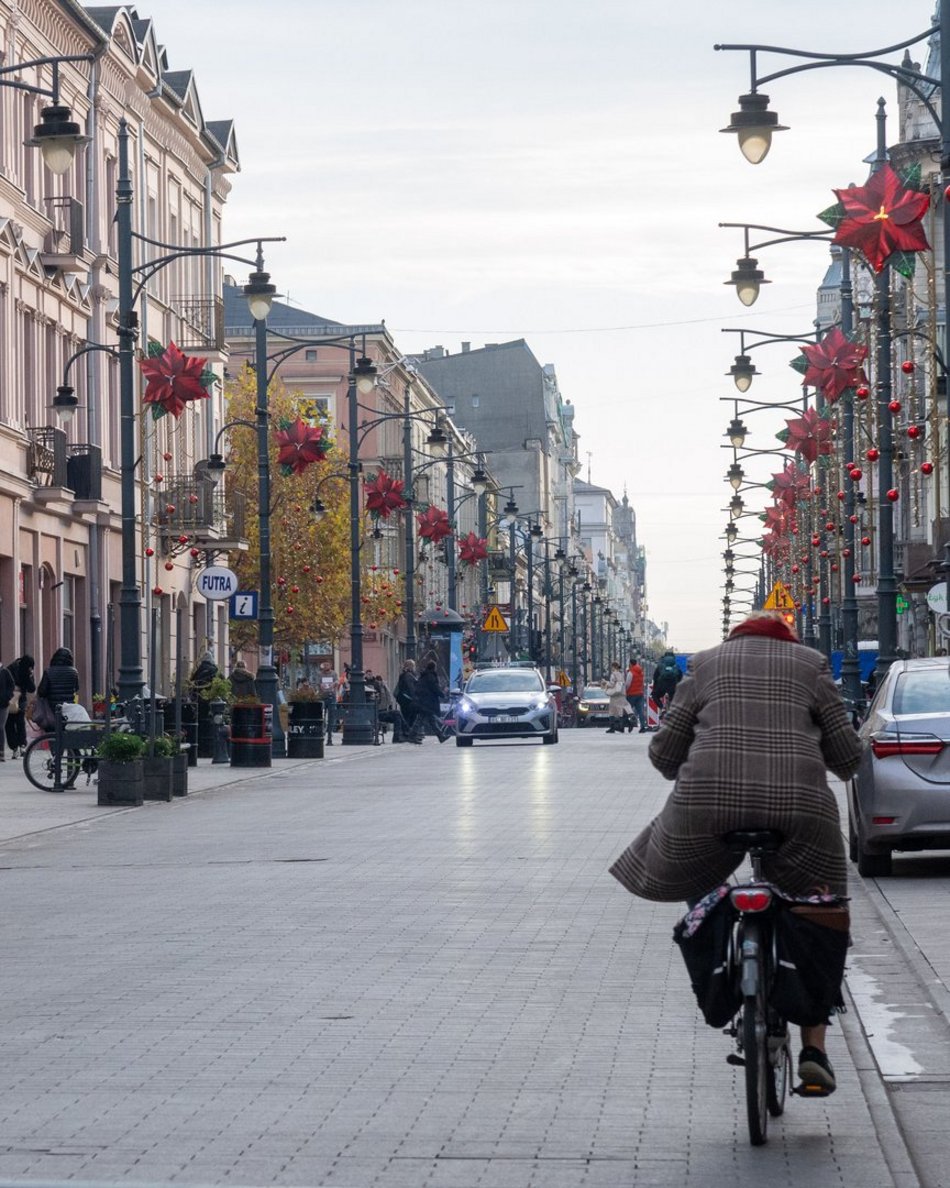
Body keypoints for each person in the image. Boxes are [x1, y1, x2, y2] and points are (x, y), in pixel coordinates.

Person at [609, 610, 861, 1095]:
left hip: (708, 807)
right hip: (799, 809)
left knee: (690, 871)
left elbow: (664, 755)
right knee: (822, 906)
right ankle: (814, 1049)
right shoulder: (811, 666)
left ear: (734, 638)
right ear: (789, 638)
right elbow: (848, 760)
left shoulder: (703, 665)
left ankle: (719, 943)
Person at [36, 647, 80, 724]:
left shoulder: (48, 671)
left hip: (51, 707)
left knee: (52, 727)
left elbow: (42, 691)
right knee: (66, 727)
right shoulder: (74, 672)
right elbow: (76, 688)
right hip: (68, 707)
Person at [5, 654, 35, 758]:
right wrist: (14, 688)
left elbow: (32, 689)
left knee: (19, 723)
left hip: (21, 700)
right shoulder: (11, 669)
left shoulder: (27, 671)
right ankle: (15, 747)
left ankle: (21, 746)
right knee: (10, 724)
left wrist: (30, 677)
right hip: (11, 700)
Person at [412, 660, 450, 742]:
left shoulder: (424, 676)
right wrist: (443, 694)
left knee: (428, 719)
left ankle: (440, 736)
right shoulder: (431, 676)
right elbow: (435, 688)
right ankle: (412, 735)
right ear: (434, 668)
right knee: (422, 719)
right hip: (428, 702)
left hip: (424, 701)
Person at [366, 671, 410, 743]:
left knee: (397, 714)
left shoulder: (378, 688)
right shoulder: (367, 696)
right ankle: (405, 734)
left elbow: (388, 697)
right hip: (376, 715)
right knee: (397, 714)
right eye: (373, 693)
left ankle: (402, 735)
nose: (374, 694)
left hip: (379, 712)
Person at [316, 659, 341, 746]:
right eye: (324, 665)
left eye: (327, 664)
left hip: (331, 696)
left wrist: (334, 684)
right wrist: (320, 685)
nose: (326, 666)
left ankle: (330, 733)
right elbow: (317, 682)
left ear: (330, 665)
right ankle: (322, 730)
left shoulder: (333, 673)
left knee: (331, 715)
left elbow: (337, 681)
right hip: (322, 696)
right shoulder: (320, 674)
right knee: (321, 714)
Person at [395, 660, 420, 741]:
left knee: (407, 716)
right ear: (411, 666)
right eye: (414, 666)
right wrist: (415, 698)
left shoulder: (405, 674)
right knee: (409, 717)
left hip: (404, 699)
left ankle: (408, 734)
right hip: (408, 699)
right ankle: (408, 734)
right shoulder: (408, 675)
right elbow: (411, 688)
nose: (415, 667)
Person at [603, 661, 629, 734]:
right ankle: (622, 727)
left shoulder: (613, 674)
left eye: (611, 667)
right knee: (620, 711)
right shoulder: (621, 674)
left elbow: (612, 684)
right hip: (621, 694)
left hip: (615, 695)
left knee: (612, 711)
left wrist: (606, 683)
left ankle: (612, 727)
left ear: (613, 667)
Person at [625, 656, 647, 733]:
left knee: (628, 710)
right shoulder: (641, 672)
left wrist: (625, 691)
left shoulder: (631, 673)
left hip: (631, 694)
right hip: (640, 694)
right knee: (640, 711)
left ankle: (630, 724)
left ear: (630, 664)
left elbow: (627, 684)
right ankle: (643, 727)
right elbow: (642, 682)